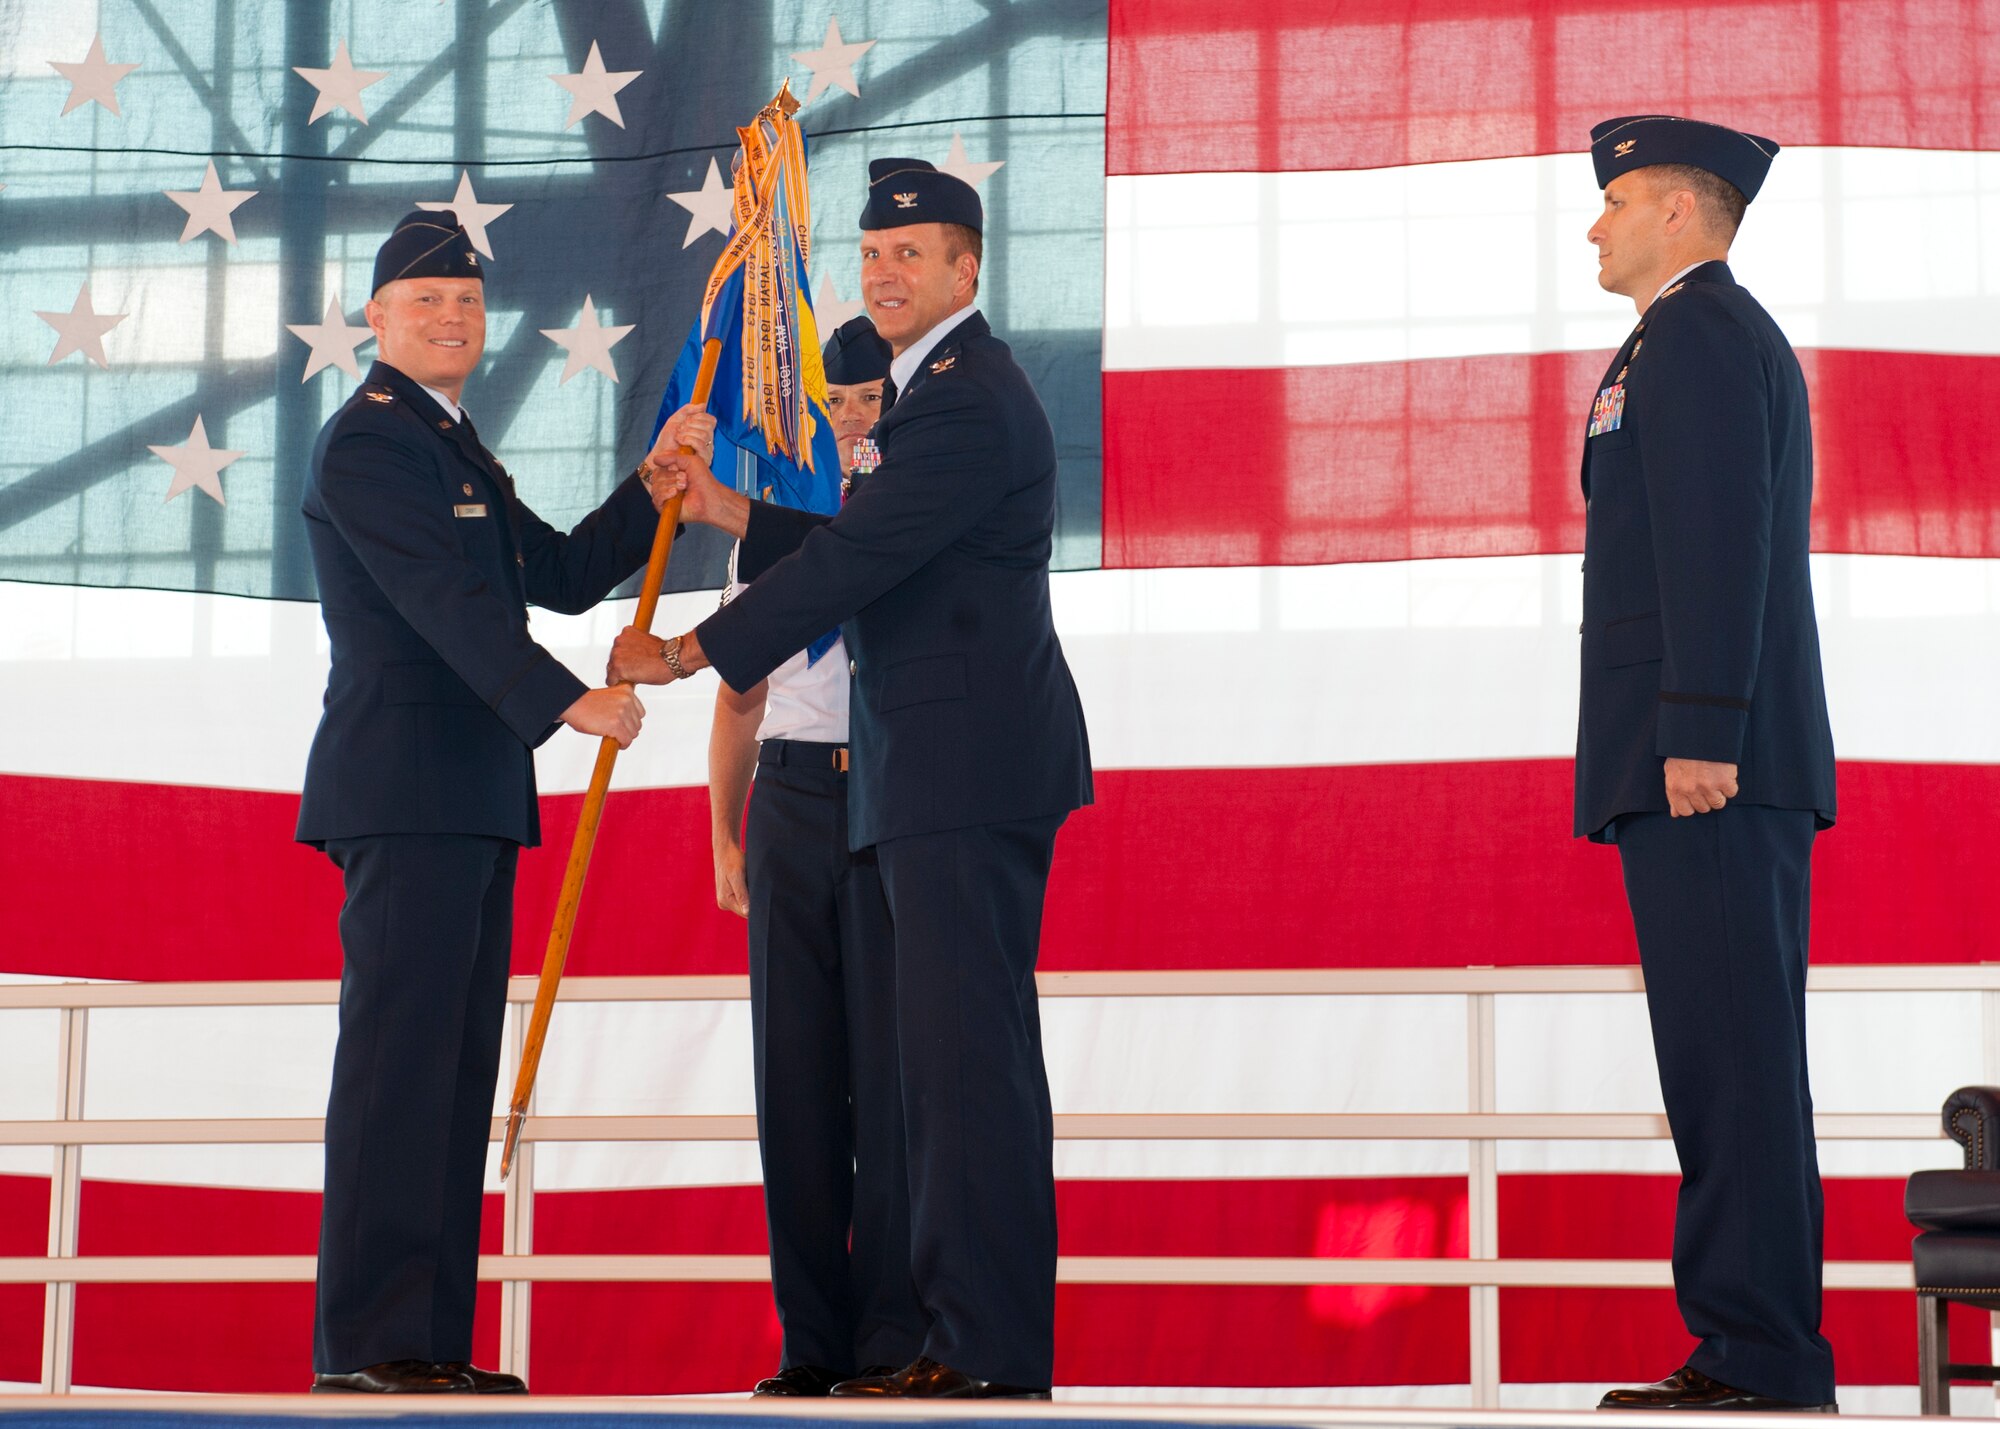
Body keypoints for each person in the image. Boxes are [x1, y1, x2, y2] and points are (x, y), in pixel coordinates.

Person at [615, 159, 1092, 1400]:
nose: (885, 271)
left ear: (966, 268)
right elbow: (859, 541)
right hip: (927, 770)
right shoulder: (936, 390)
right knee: (937, 1073)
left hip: (958, 769)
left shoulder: (962, 396)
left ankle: (981, 1351)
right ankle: (952, 1337)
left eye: (912, 253)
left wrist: (689, 649)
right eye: (873, 255)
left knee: (962, 1070)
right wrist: (728, 508)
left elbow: (863, 558)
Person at [295, 209, 711, 1394]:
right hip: (406, 785)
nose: (451, 317)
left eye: (468, 301)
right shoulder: (372, 442)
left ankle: (426, 1343)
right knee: (397, 1068)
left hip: (469, 791)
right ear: (374, 321)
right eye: (425, 302)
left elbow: (559, 573)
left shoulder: (453, 443)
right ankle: (369, 1345)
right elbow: (439, 598)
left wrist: (651, 484)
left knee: (451, 1069)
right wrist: (564, 701)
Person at [1574, 117, 1838, 1413]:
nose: (1596, 224)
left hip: (1711, 759)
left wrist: (1699, 729)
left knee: (1732, 1059)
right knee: (1722, 1059)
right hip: (1697, 750)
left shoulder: (1699, 335)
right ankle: (1748, 1339)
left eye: (1617, 200)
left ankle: (1763, 1351)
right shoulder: (1681, 336)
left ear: (1680, 210)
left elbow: (1720, 539)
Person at [709, 315, 925, 1396]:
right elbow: (737, 695)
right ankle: (810, 1343)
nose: (850, 418)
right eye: (835, 403)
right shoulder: (767, 537)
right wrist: (721, 829)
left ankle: (890, 1339)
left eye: (870, 399)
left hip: (886, 797)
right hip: (790, 798)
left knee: (887, 1079)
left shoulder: (915, 512)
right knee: (792, 1078)